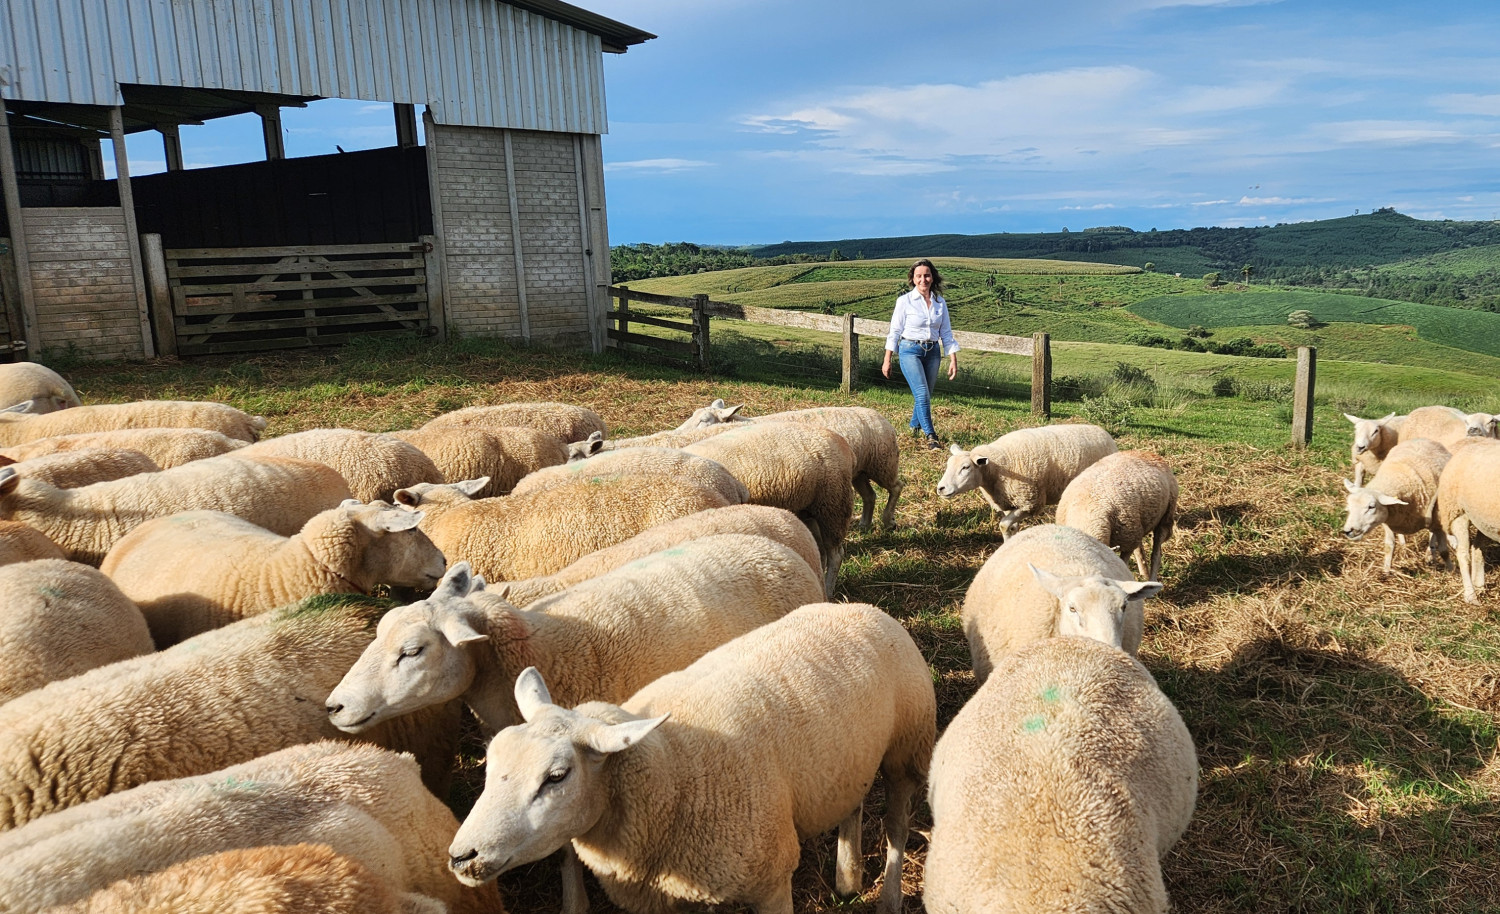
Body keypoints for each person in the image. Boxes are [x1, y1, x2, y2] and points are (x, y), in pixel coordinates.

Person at [883, 259, 959, 449]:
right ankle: (931, 436)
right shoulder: (904, 301)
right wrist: (887, 359)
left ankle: (914, 427)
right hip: (910, 350)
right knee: (922, 394)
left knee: (925, 394)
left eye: (927, 275)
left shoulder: (940, 303)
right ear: (913, 279)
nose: (923, 279)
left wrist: (953, 359)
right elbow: (894, 332)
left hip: (933, 351)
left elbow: (947, 334)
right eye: (919, 276)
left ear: (932, 278)